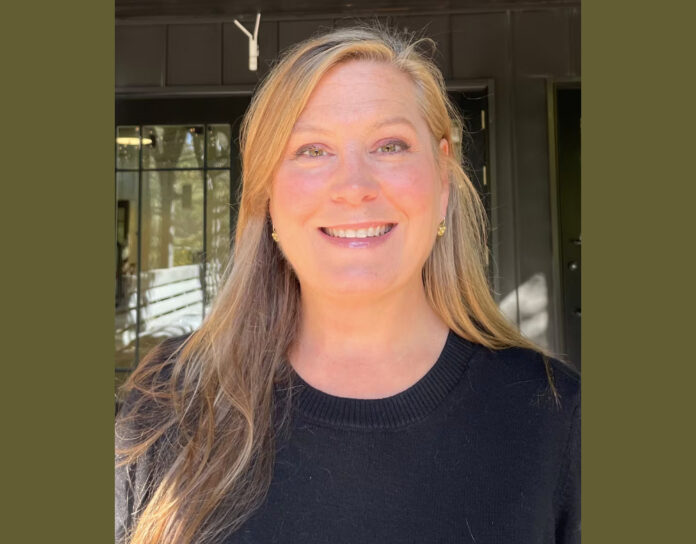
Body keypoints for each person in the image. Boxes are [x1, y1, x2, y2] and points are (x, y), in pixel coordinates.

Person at [116, 25, 580, 544]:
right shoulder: (169, 404)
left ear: (443, 178)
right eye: (312, 151)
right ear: (268, 194)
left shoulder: (555, 416)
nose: (355, 188)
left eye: (390, 145)